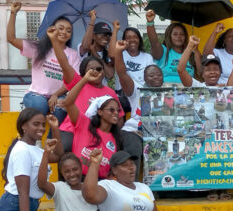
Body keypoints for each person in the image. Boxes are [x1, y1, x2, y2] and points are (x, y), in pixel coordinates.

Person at [49, 25, 125, 153]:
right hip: (72, 129)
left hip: (98, 133)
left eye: (99, 69)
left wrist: (115, 136)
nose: (95, 72)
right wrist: (54, 41)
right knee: (62, 150)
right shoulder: (78, 83)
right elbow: (64, 64)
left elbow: (120, 116)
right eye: (91, 69)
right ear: (84, 73)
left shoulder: (110, 92)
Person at [7, 2, 78, 122]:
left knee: (61, 109)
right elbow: (11, 39)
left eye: (68, 30)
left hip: (58, 96)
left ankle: (51, 140)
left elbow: (73, 80)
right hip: (35, 95)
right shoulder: (38, 48)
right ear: (52, 29)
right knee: (40, 104)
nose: (64, 32)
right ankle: (36, 138)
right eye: (60, 28)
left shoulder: (72, 54)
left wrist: (55, 95)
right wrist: (13, 13)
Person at [111, 39, 164, 179]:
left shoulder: (169, 93)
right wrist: (118, 52)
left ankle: (159, 189)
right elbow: (122, 73)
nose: (156, 78)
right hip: (134, 131)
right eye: (151, 75)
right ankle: (131, 185)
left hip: (158, 134)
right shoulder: (137, 89)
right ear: (144, 78)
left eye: (159, 75)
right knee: (133, 147)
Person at [63, 67, 122, 179]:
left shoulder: (116, 138)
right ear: (99, 111)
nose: (116, 113)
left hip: (101, 185)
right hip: (78, 181)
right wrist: (85, 79)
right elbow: (68, 103)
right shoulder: (84, 124)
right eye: (111, 110)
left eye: (118, 110)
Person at [78, 10, 115, 85]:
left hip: (101, 92)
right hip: (85, 90)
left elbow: (110, 75)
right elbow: (85, 46)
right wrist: (92, 20)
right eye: (102, 34)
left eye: (108, 35)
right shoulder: (85, 50)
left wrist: (96, 54)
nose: (106, 37)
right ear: (93, 36)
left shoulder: (109, 54)